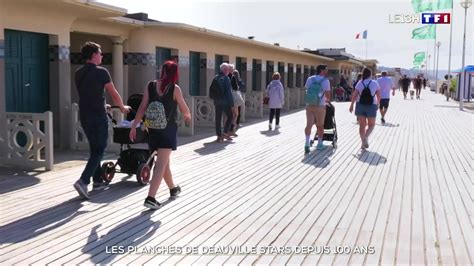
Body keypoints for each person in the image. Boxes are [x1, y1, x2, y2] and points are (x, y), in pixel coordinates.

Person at [129, 60, 192, 210]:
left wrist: (134, 125)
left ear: (162, 71)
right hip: (167, 130)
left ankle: (173, 189)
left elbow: (142, 107)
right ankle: (151, 198)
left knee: (164, 163)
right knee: (160, 165)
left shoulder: (150, 85)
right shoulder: (174, 89)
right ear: (175, 73)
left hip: (153, 130)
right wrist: (187, 116)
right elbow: (184, 109)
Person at [73, 41, 131, 199]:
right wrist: (122, 107)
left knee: (94, 149)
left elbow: (88, 94)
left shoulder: (78, 72)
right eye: (99, 52)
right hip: (98, 117)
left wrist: (102, 104)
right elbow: (114, 93)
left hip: (85, 115)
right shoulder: (102, 72)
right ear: (93, 55)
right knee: (100, 150)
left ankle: (97, 181)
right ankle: (83, 181)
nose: (102, 55)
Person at [350, 67, 381, 150]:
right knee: (371, 125)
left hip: (360, 105)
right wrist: (378, 104)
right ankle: (365, 138)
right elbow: (378, 95)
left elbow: (355, 95)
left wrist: (351, 105)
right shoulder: (374, 83)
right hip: (371, 105)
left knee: (362, 126)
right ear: (370, 74)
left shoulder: (360, 83)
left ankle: (363, 142)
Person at [304, 64, 331, 153]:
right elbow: (328, 95)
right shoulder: (326, 81)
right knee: (320, 125)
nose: (327, 71)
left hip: (309, 104)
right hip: (320, 105)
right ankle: (319, 143)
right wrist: (327, 101)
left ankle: (307, 144)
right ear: (321, 70)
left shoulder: (310, 79)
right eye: (326, 69)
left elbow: (307, 90)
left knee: (309, 125)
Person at [210, 63, 234, 142]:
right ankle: (225, 132)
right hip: (225, 102)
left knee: (218, 118)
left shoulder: (216, 77)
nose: (229, 71)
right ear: (224, 70)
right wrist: (232, 104)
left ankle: (219, 136)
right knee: (230, 116)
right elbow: (228, 92)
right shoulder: (226, 78)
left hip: (217, 101)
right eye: (228, 69)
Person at [229, 65, 243, 136]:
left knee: (229, 115)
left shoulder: (224, 77)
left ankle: (227, 131)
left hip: (226, 98)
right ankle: (231, 130)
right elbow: (236, 87)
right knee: (235, 114)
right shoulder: (233, 77)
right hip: (234, 98)